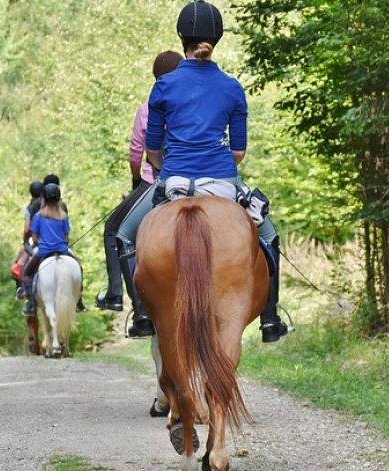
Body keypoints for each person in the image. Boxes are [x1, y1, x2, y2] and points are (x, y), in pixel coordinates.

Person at [116, 0, 290, 342]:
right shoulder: (231, 87)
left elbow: (152, 150)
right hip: (223, 181)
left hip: (174, 180)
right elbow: (238, 152)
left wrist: (168, 168)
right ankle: (270, 319)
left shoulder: (164, 85)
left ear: (182, 37)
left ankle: (141, 315)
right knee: (268, 236)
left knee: (124, 234)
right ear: (217, 38)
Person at [95, 50, 183, 339]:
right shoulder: (192, 104)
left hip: (157, 181)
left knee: (115, 231)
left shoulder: (148, 108)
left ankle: (126, 302)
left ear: (156, 77)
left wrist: (137, 178)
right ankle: (268, 313)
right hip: (202, 177)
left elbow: (138, 152)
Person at [21, 183, 84, 316]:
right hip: (63, 250)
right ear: (59, 198)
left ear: (43, 197)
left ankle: (31, 304)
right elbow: (66, 238)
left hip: (43, 251)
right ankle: (79, 300)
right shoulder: (63, 216)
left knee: (26, 274)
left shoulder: (38, 216)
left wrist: (42, 243)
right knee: (79, 268)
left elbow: (35, 237)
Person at [12, 180, 45, 300]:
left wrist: (25, 242)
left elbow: (26, 229)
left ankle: (21, 289)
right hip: (53, 239)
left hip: (35, 239)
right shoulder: (50, 206)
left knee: (19, 264)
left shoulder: (30, 209)